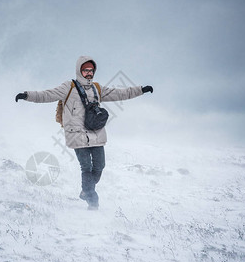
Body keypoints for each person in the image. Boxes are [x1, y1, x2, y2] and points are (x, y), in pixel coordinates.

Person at [15, 56, 153, 210]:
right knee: (86, 167)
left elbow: (120, 93)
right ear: (79, 70)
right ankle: (92, 200)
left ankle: (86, 191)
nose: (89, 73)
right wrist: (27, 95)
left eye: (91, 71)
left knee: (100, 166)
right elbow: (47, 95)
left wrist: (141, 90)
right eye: (85, 70)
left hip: (96, 133)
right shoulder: (68, 87)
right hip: (77, 135)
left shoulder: (97, 88)